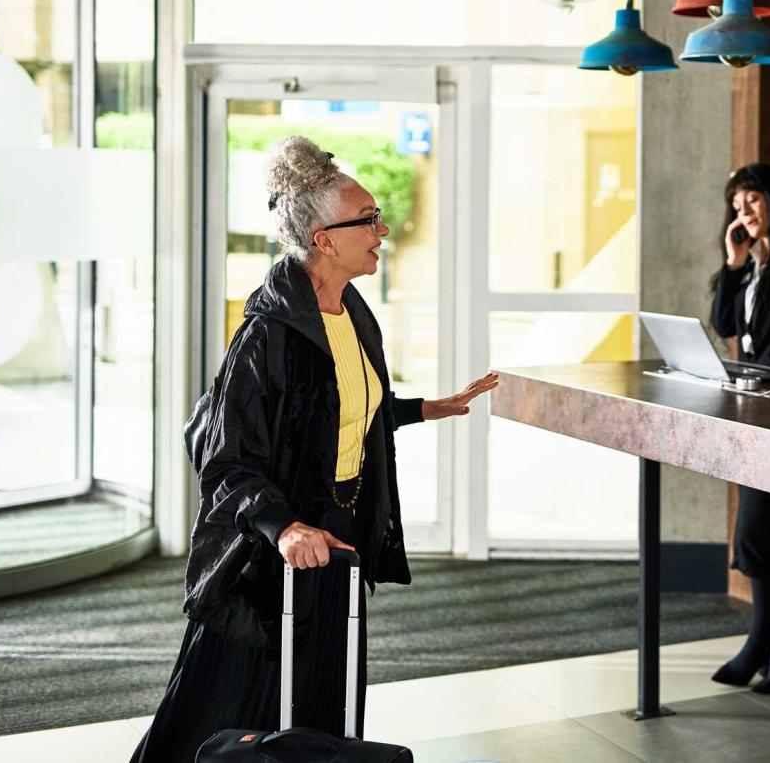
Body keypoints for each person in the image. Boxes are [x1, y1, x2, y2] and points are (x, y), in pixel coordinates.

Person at [131, 136, 497, 761]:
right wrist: (284, 528)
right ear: (324, 239)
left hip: (338, 529)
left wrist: (422, 409)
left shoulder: (352, 311)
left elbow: (337, 412)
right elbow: (228, 459)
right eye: (369, 219)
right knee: (224, 706)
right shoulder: (267, 334)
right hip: (270, 549)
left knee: (326, 695)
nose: (382, 230)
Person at [709, 162, 770, 694]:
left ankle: (762, 643)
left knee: (756, 533)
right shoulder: (755, 265)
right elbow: (725, 326)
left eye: (753, 202)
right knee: (759, 535)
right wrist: (734, 261)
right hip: (753, 407)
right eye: (738, 204)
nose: (744, 212)